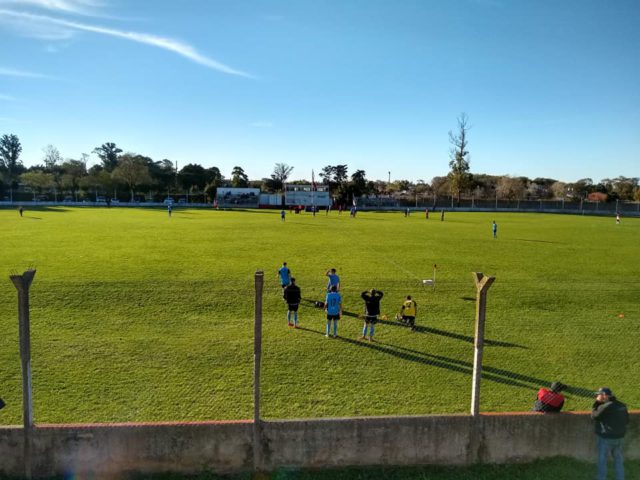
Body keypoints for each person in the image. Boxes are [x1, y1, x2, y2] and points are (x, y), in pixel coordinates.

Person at [592, 387, 629, 480]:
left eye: (599, 395)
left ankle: (601, 478)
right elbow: (627, 420)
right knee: (618, 460)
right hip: (619, 437)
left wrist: (597, 403)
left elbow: (594, 416)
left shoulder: (605, 406)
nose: (597, 396)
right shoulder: (622, 405)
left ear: (605, 395)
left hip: (606, 438)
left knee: (602, 460)